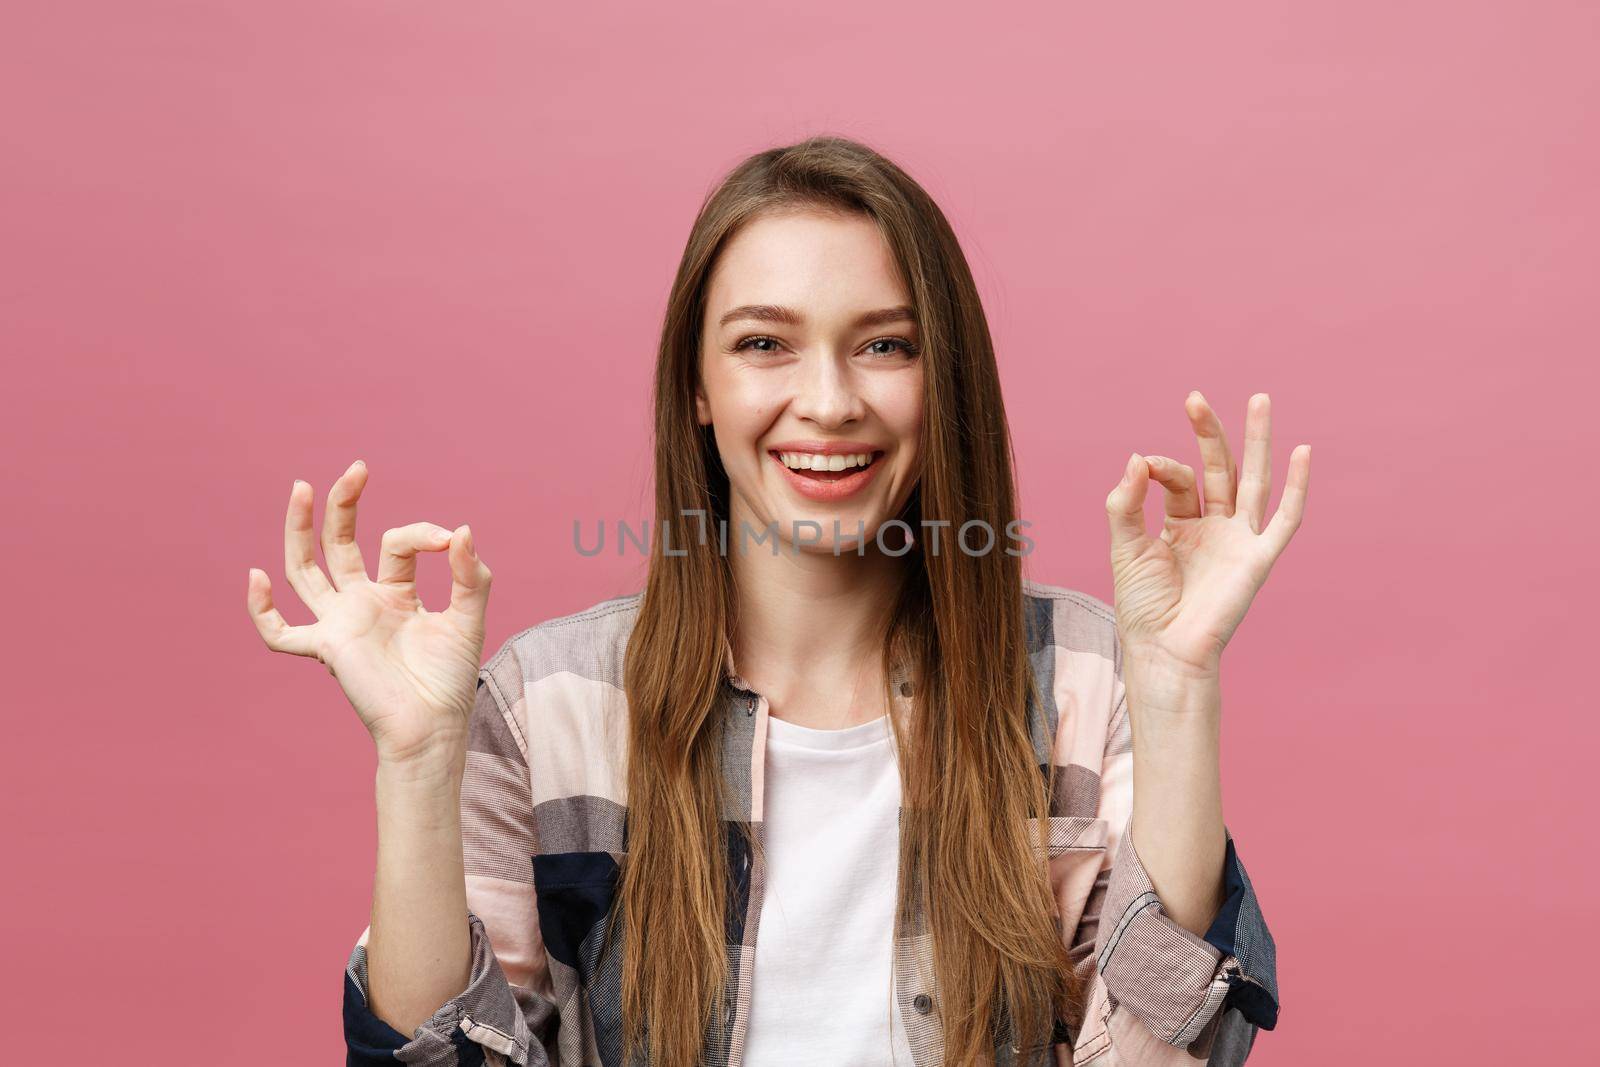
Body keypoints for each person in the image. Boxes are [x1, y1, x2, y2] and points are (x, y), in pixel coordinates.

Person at [246, 136, 1306, 1067]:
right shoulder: (545, 706)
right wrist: (418, 764)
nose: (831, 399)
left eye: (885, 344)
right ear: (697, 390)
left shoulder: (1085, 679)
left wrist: (1173, 690)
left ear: (947, 382)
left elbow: (1178, 1053)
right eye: (764, 343)